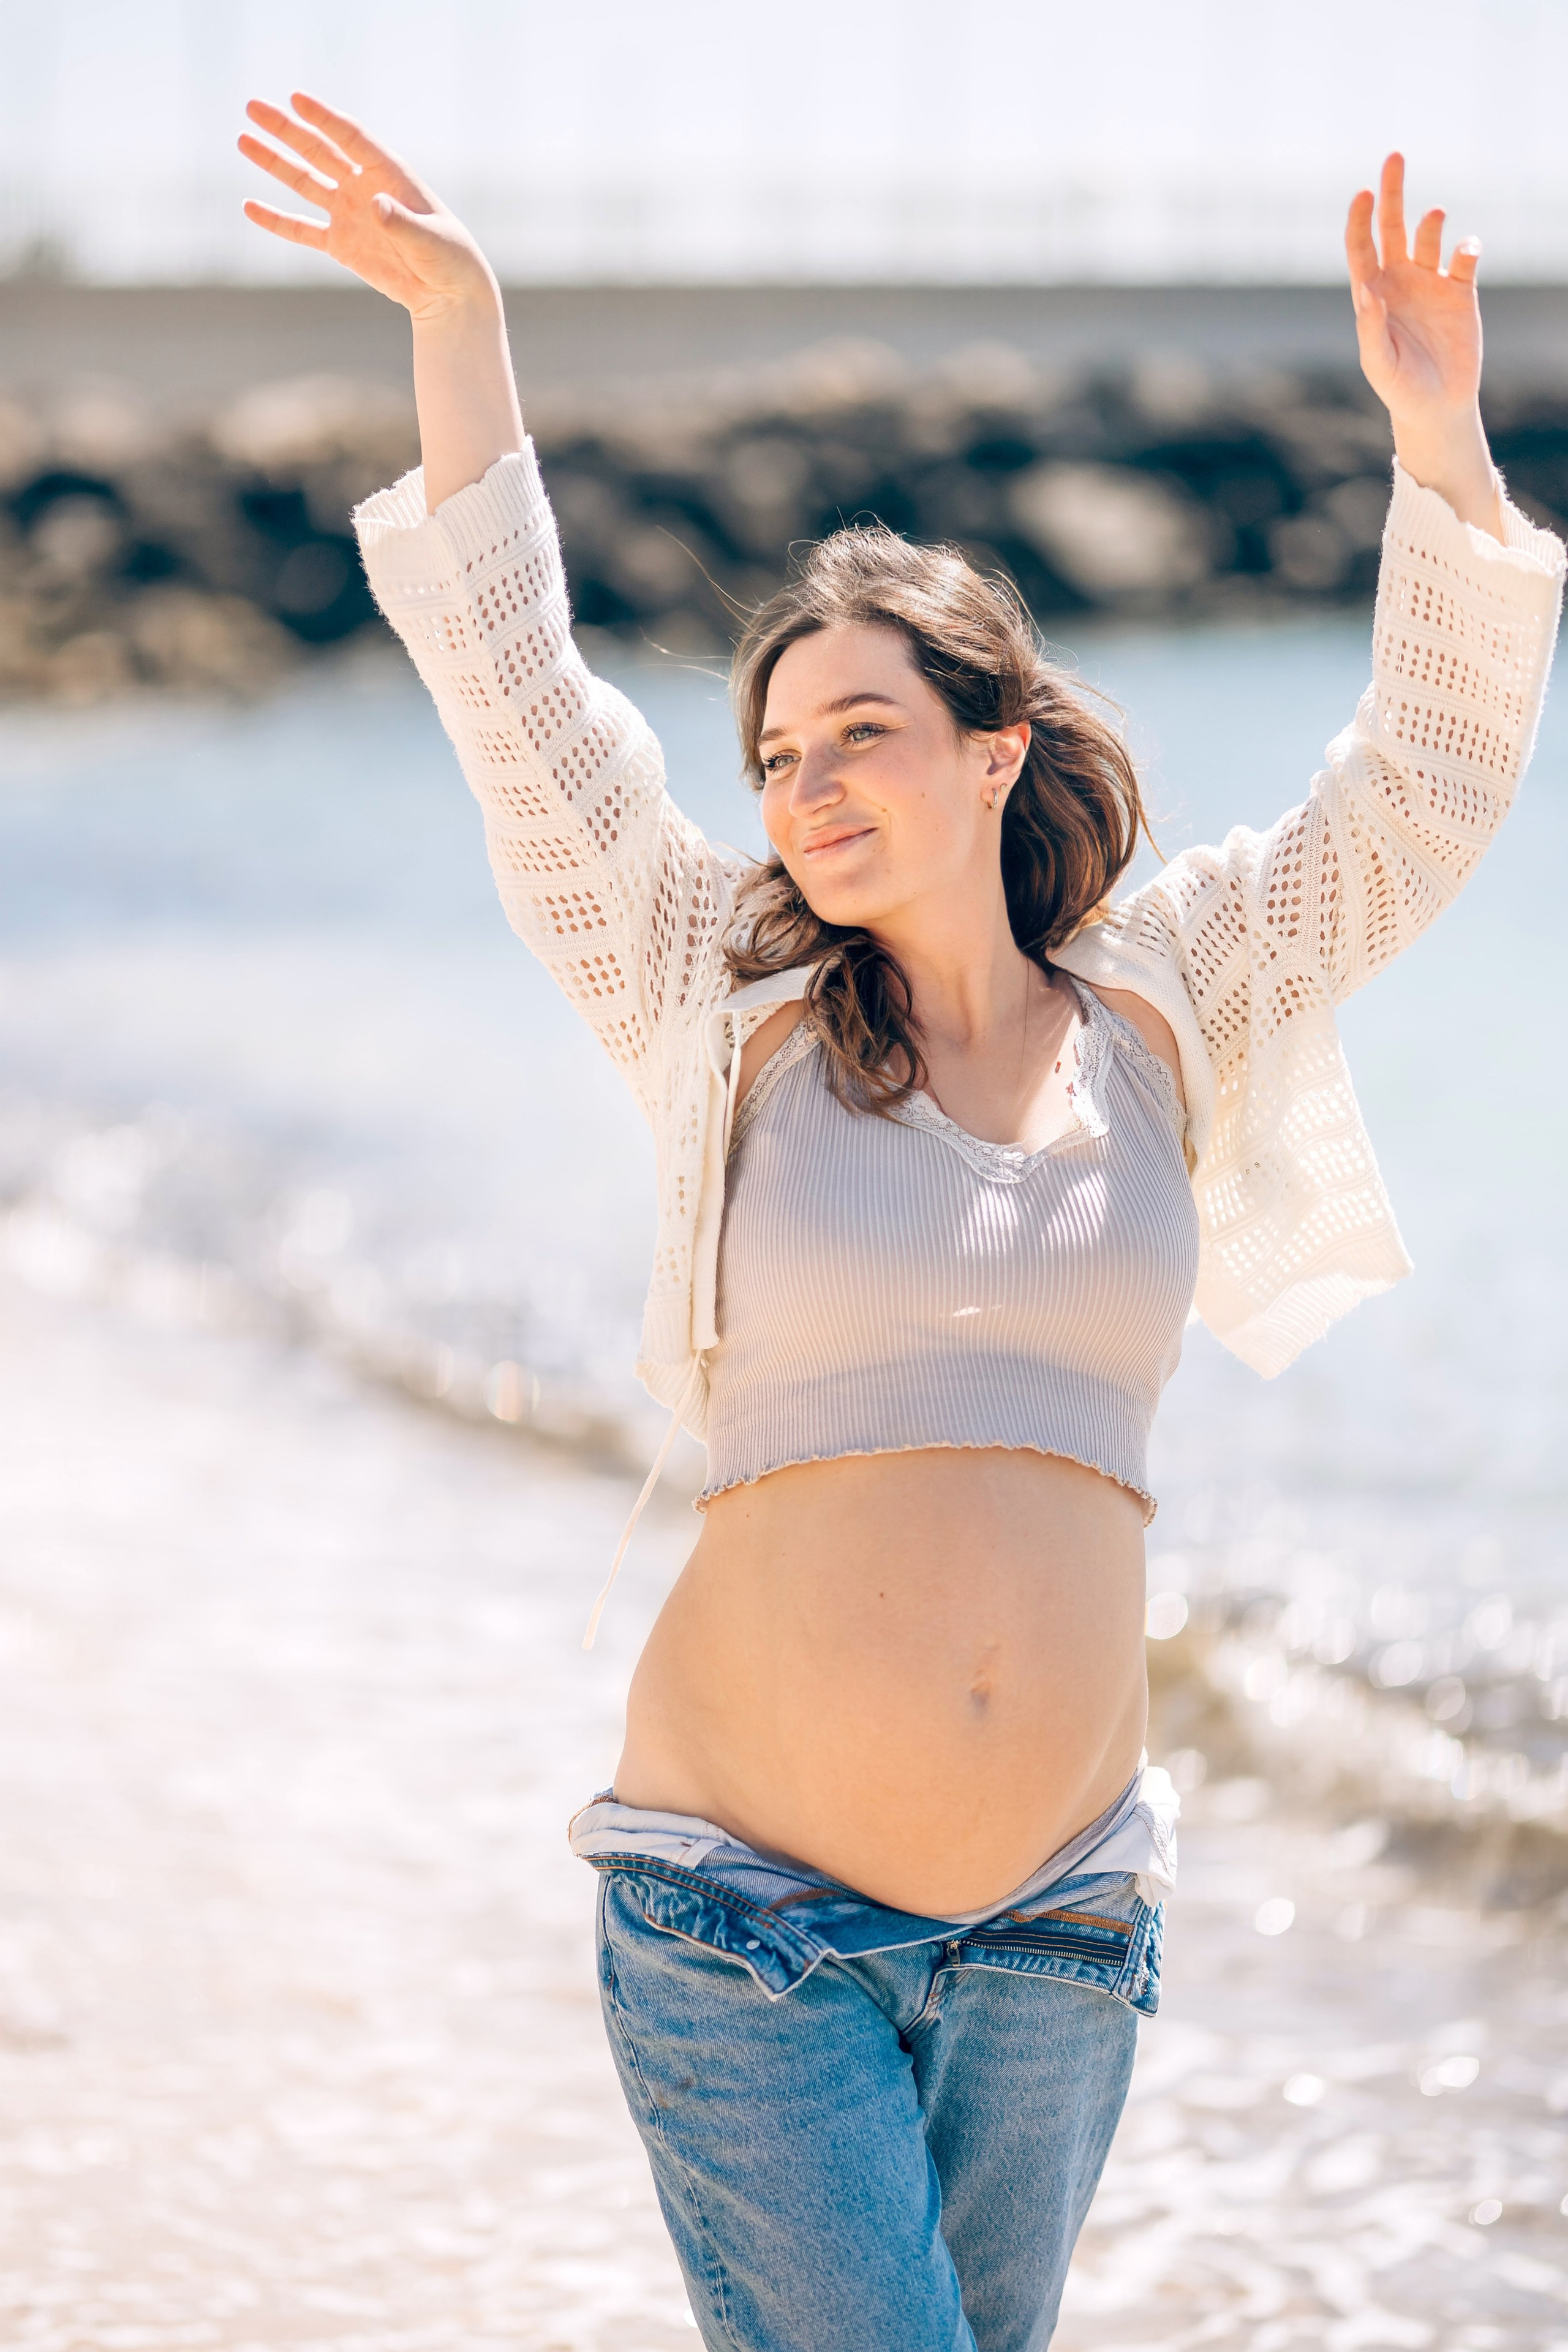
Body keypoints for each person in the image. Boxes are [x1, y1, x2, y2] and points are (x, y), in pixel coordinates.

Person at [240, 98, 1562, 2352]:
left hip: (1063, 1931)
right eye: (774, 756)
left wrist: (1441, 458)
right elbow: (529, 713)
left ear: (996, 748)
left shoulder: (1177, 1004)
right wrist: (463, 326)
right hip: (742, 1917)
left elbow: (1421, 793)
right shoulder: (716, 1006)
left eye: (861, 731)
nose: (807, 787)